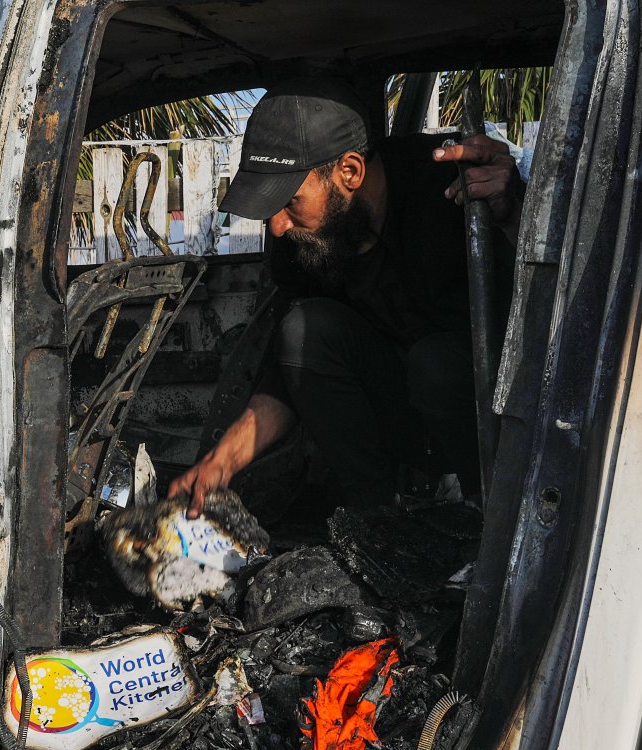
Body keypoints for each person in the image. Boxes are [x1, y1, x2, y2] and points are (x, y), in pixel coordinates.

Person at [169, 78, 523, 515]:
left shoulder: (452, 184)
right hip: (401, 417)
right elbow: (289, 372)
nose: (277, 226)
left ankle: (489, 515)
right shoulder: (302, 240)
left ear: (350, 171)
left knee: (435, 363)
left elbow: (542, 314)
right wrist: (221, 462)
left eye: (290, 202)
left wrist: (512, 214)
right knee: (302, 329)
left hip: (493, 417)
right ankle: (378, 521)